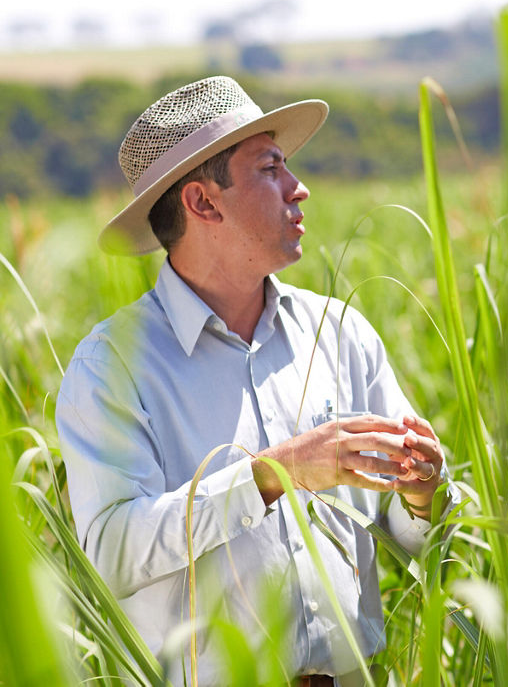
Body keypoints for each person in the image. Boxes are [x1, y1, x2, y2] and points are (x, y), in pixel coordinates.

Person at [56, 76, 458, 686]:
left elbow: (413, 536)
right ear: (203, 203)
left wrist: (423, 495)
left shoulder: (341, 332)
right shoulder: (112, 367)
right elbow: (110, 552)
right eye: (270, 169)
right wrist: (272, 474)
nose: (300, 189)